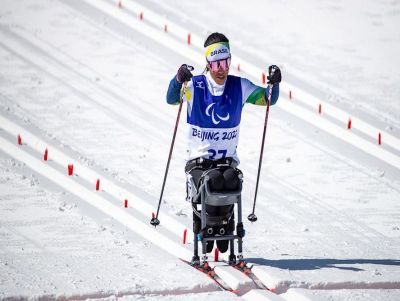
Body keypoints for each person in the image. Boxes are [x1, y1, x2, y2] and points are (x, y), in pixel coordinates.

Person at [166, 32, 281, 261]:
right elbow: (171, 98)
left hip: (226, 163)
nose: (221, 69)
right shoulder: (196, 86)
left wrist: (274, 83)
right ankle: (205, 226)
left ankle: (224, 229)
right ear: (208, 64)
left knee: (230, 180)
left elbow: (269, 99)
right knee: (214, 181)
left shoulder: (240, 86)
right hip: (199, 164)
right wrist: (179, 79)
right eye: (216, 63)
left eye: (225, 62)